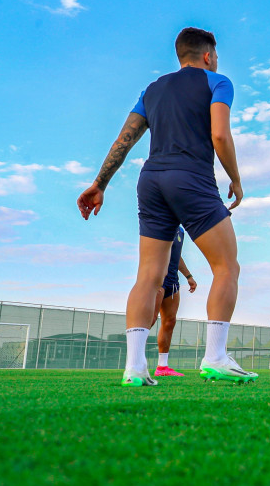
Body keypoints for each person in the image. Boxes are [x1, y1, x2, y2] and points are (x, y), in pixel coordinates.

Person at [77, 27, 257, 386]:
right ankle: (216, 357)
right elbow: (219, 134)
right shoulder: (217, 82)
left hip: (151, 181)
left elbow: (123, 140)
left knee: (148, 277)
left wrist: (100, 184)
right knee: (226, 267)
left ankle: (134, 367)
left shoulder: (152, 90)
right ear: (208, 56)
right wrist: (235, 179)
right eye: (215, 57)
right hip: (190, 177)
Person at [151, 226, 197, 377]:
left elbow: (176, 255)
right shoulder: (161, 222)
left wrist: (188, 276)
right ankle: (134, 364)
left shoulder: (181, 231)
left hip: (173, 281)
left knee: (170, 321)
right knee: (149, 320)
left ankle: (162, 367)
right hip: (158, 278)